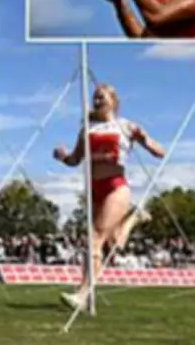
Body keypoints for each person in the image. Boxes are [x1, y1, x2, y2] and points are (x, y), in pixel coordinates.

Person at [53, 84, 164, 311]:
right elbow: (76, 160)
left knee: (94, 239)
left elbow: (159, 152)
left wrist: (145, 138)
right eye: (94, 98)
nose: (97, 102)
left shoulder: (125, 126)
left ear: (113, 101)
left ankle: (81, 295)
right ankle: (133, 218)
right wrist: (62, 157)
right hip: (95, 189)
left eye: (101, 98)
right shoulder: (87, 129)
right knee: (114, 244)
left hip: (116, 187)